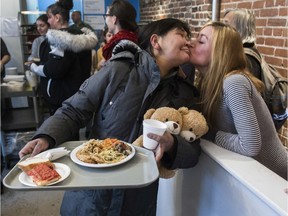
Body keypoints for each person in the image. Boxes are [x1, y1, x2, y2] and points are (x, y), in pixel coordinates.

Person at [19, 10, 201, 216]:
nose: (189, 41)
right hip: (93, 190)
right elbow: (74, 109)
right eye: (181, 34)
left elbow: (193, 151)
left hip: (139, 196)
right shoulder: (119, 69)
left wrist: (173, 145)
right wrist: (46, 135)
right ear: (156, 41)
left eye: (190, 37)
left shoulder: (184, 92)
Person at [189, 21, 287, 180]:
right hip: (255, 178)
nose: (191, 43)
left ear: (220, 52)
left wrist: (209, 134)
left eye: (201, 41)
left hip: (278, 180)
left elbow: (250, 145)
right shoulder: (207, 83)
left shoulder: (234, 82)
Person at [29, 0, 98, 115]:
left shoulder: (58, 40)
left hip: (61, 98)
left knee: (62, 130)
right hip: (78, 94)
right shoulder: (81, 36)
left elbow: (53, 70)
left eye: (49, 17)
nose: (48, 21)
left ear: (57, 18)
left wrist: (33, 67)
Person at [223, 8, 261, 80]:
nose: (222, 28)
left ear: (241, 27)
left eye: (226, 24)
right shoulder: (238, 51)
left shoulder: (246, 58)